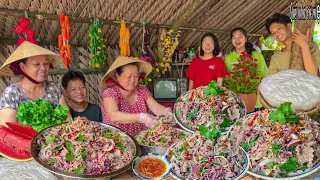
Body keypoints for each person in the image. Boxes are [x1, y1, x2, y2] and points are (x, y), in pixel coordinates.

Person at [0, 41, 71, 126]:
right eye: (36, 64)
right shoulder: (12, 93)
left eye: (46, 63)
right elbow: (7, 132)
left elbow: (67, 122)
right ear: (23, 67)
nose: (43, 68)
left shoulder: (55, 88)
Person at [100, 56, 173, 135]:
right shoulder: (110, 93)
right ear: (117, 76)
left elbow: (155, 107)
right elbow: (114, 116)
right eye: (129, 77)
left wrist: (165, 111)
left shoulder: (142, 91)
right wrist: (141, 117)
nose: (133, 80)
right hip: (117, 140)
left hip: (140, 138)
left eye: (136, 76)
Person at [224, 27, 268, 111]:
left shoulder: (256, 55)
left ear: (246, 39)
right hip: (236, 100)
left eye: (240, 37)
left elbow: (264, 74)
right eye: (234, 38)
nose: (237, 40)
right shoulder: (228, 58)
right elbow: (228, 78)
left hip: (254, 99)